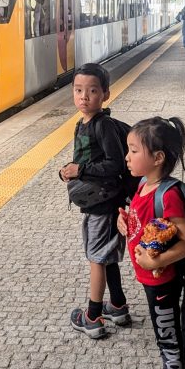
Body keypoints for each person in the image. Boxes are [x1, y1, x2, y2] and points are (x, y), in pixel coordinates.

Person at [117, 117, 185, 369]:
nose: (127, 157)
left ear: (158, 157)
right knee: (168, 338)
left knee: (168, 342)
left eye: (134, 150)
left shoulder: (168, 194)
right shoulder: (142, 185)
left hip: (162, 282)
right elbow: (144, 224)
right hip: (151, 280)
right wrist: (126, 225)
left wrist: (157, 262)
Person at [59, 63, 132, 337]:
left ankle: (93, 316)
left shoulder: (103, 126)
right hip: (99, 200)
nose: (84, 97)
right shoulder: (83, 123)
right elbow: (87, 159)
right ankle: (118, 304)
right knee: (107, 254)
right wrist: (70, 169)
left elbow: (114, 165)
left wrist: (82, 170)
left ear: (105, 95)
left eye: (92, 91)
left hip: (104, 204)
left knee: (97, 258)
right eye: (78, 90)